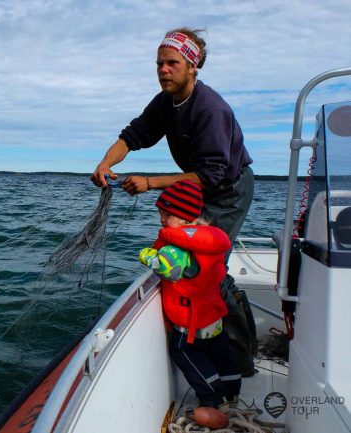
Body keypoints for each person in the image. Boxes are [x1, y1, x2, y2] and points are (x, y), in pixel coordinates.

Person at [91, 27, 257, 375]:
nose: (163, 70)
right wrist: (106, 163)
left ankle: (242, 359)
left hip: (228, 190)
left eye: (172, 63)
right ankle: (199, 337)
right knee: (184, 261)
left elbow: (212, 174)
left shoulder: (210, 109)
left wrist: (150, 182)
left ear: (192, 67)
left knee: (210, 270)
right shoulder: (164, 101)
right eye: (159, 64)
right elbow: (132, 136)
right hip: (200, 186)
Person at [139, 180, 241, 412]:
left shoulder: (175, 246)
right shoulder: (212, 238)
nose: (163, 219)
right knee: (222, 354)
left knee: (184, 353)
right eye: (160, 213)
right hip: (214, 316)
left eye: (168, 214)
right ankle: (233, 393)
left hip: (189, 322)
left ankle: (213, 398)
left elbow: (165, 267)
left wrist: (146, 255)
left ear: (186, 218)